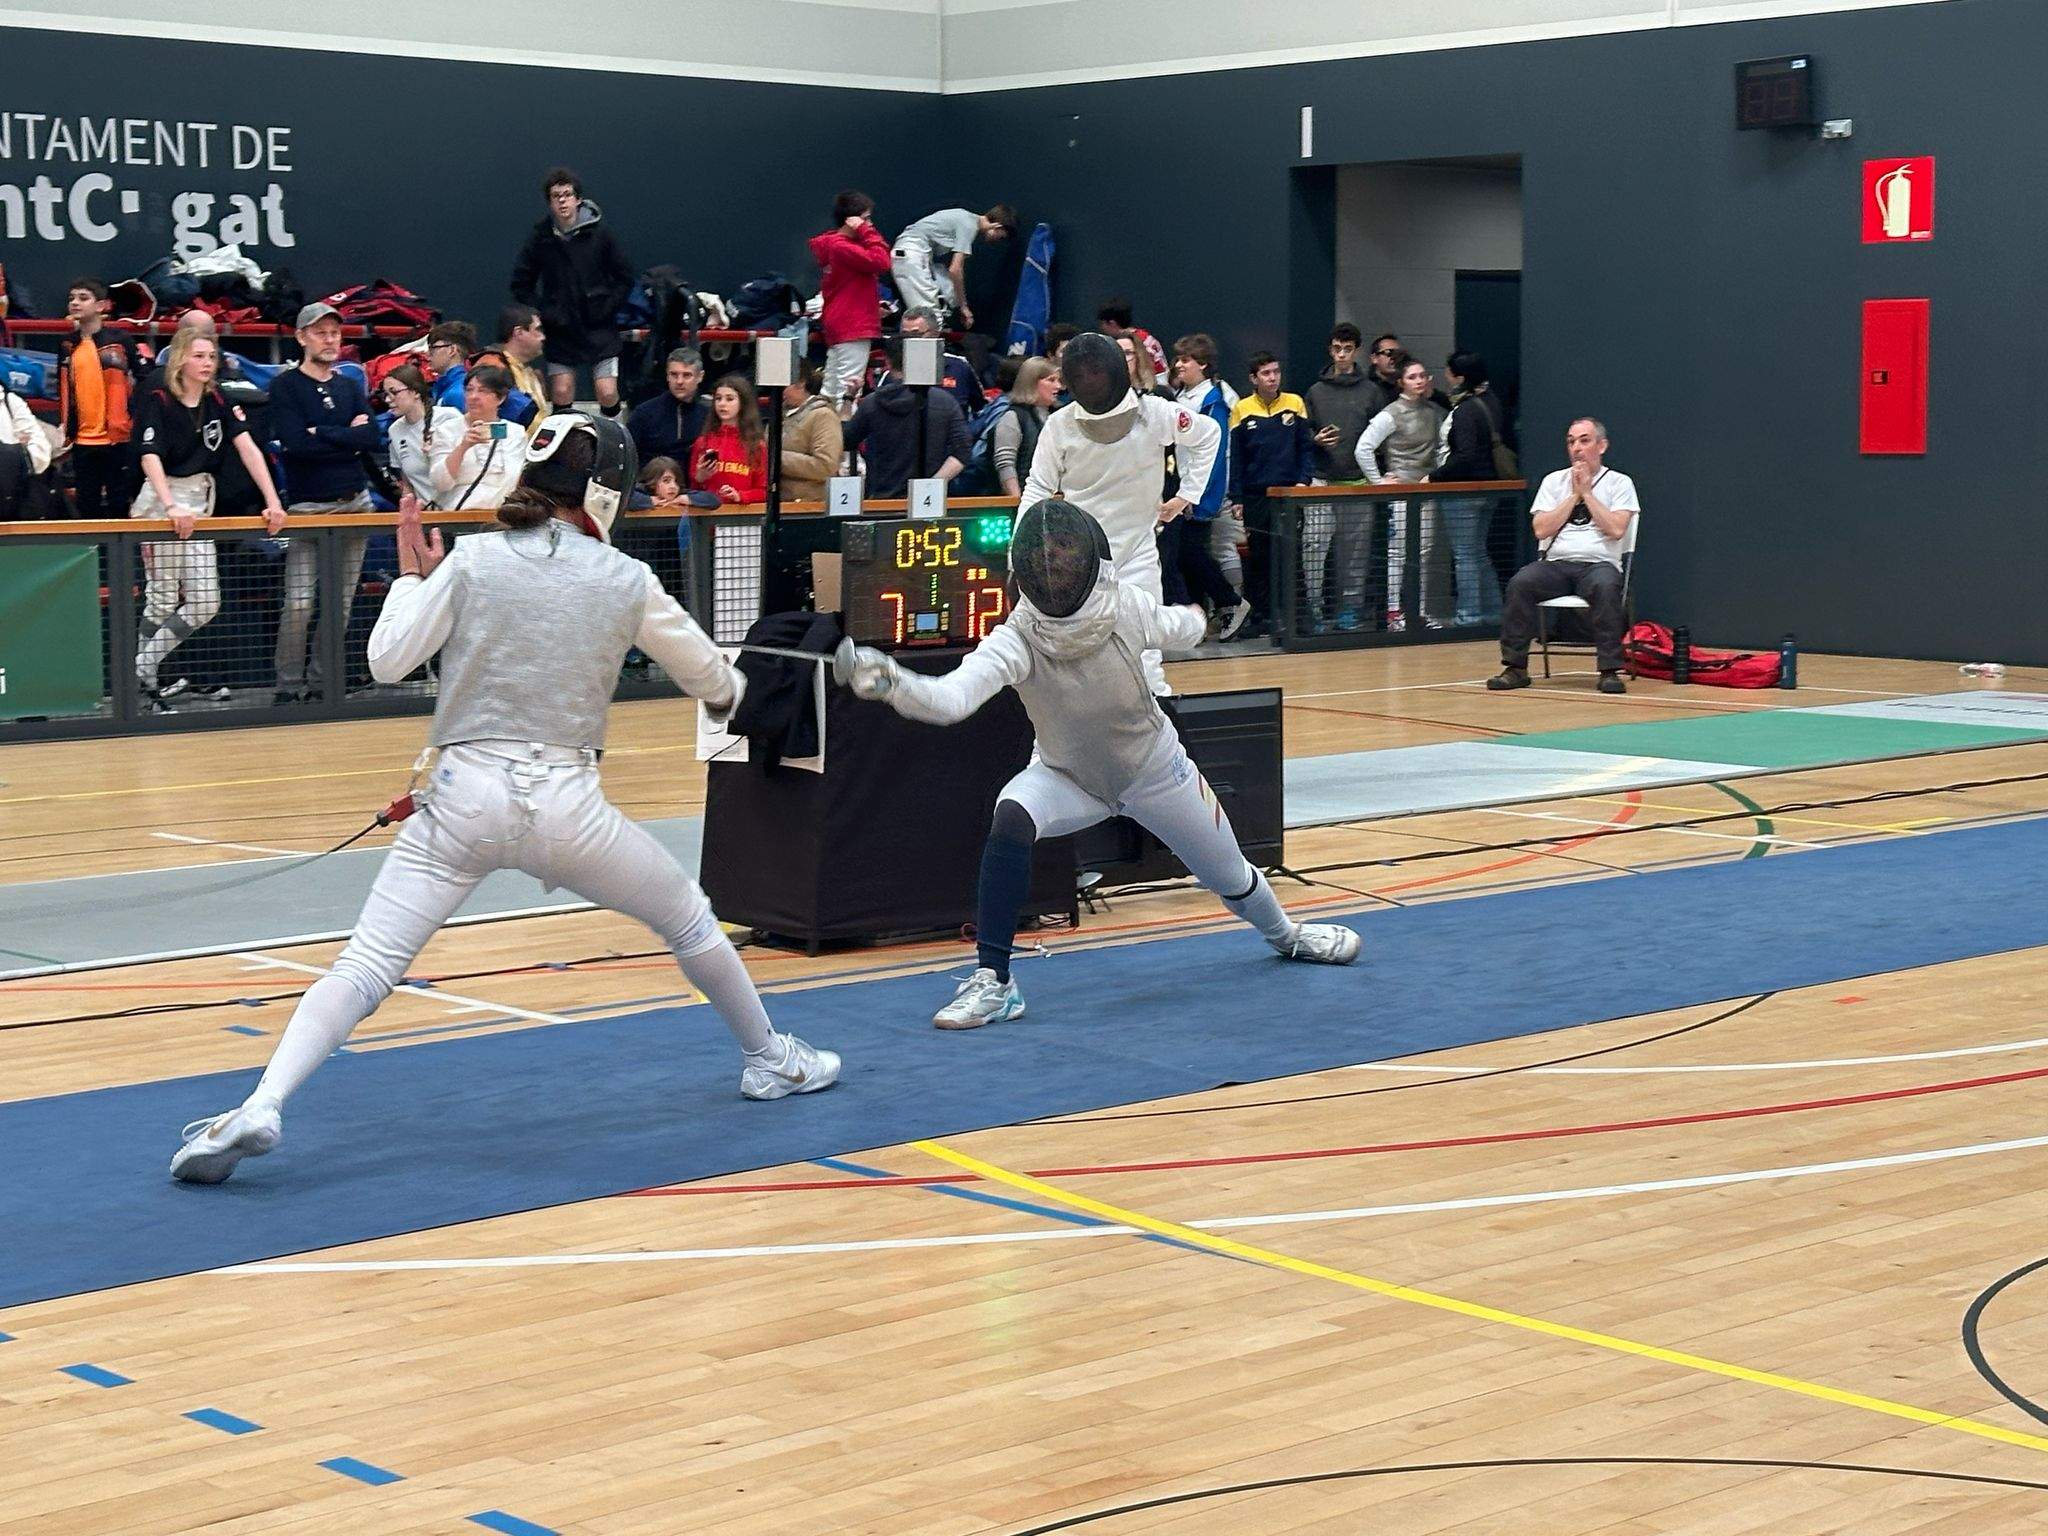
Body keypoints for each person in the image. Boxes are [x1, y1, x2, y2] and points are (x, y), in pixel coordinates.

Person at [169, 413, 840, 1185]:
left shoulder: (475, 560)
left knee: (365, 966)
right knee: (687, 918)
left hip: (461, 800)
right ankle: (768, 1060)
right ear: (604, 493)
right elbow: (719, 685)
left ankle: (262, 1102)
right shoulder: (626, 579)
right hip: (568, 807)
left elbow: (387, 662)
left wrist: (417, 578)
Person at [842, 499, 1358, 1030]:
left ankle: (1288, 937)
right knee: (1013, 815)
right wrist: (895, 683)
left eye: (1062, 549)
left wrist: (1193, 618)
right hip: (1068, 775)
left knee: (1228, 874)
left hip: (1155, 769)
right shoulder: (1018, 637)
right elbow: (951, 700)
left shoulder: (1123, 606)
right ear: (1023, 569)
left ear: (1087, 554)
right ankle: (996, 982)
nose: (1052, 563)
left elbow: (1171, 627)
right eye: (1041, 554)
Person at [1024, 332, 1218, 694]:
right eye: (1083, 375)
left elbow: (1208, 434)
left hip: (1136, 555)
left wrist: (1187, 495)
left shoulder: (1154, 414)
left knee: (1143, 654)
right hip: (1080, 559)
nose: (1091, 382)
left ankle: (1160, 732)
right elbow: (1037, 487)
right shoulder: (1061, 425)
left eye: (1097, 373)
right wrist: (1018, 555)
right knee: (1076, 654)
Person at [131, 330, 287, 708]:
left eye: (212, 356)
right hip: (161, 499)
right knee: (162, 598)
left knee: (205, 602)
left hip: (201, 499)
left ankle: (139, 668)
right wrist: (169, 506)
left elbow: (248, 448)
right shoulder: (159, 399)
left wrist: (272, 500)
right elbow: (149, 456)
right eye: (199, 355)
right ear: (181, 359)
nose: (207, 363)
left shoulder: (218, 399)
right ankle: (144, 684)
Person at [270, 301, 380, 705]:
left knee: (340, 604)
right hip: (308, 510)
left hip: (356, 504)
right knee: (299, 602)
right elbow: (296, 446)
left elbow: (371, 439)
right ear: (302, 338)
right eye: (320, 332)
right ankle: (287, 685)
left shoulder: (350, 385)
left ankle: (321, 683)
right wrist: (344, 435)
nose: (330, 339)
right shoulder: (286, 386)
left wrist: (324, 432)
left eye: (335, 332)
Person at [1490, 417, 1640, 696]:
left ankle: (1609, 671)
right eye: (1571, 442)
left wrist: (1588, 494)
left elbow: (1617, 529)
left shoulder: (1620, 483)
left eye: (1584, 440)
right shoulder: (1553, 481)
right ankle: (1515, 668)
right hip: (1556, 564)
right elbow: (1541, 529)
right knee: (1521, 582)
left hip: (1599, 564)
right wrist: (1573, 496)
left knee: (1607, 586)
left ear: (1602, 445)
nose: (1576, 448)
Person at [510, 167, 635, 416]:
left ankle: (612, 442)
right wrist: (546, 313)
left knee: (607, 391)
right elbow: (520, 283)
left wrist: (606, 307)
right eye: (556, 196)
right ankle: (565, 447)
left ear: (578, 199)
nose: (562, 201)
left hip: (599, 325)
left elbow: (624, 277)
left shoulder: (600, 234)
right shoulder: (540, 239)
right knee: (562, 390)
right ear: (549, 202)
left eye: (567, 195)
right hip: (561, 328)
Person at [1354, 354, 1448, 631]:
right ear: (1401, 383)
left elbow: (1443, 448)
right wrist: (1378, 481)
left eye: (1422, 376)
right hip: (1402, 493)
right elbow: (1363, 448)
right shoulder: (1391, 413)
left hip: (1426, 490)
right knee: (1398, 553)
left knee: (1425, 552)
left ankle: (1418, 612)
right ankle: (1394, 613)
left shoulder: (1434, 412)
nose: (1419, 381)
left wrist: (1437, 474)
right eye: (1412, 377)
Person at [1167, 334, 1250, 638]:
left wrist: (1195, 492)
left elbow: (1214, 451)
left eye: (1185, 360)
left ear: (1202, 363)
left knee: (1190, 553)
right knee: (1182, 555)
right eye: (1177, 359)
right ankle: (1206, 614)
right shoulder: (1179, 398)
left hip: (1199, 492)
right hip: (1180, 489)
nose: (1178, 365)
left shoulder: (1213, 400)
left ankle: (1232, 601)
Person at [1227, 352, 1312, 635]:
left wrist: (1303, 481)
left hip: (1287, 493)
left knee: (1291, 554)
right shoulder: (1241, 408)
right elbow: (1236, 457)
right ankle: (1261, 617)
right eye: (1266, 373)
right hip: (1254, 496)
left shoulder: (1295, 403)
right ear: (1254, 378)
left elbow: (1305, 448)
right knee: (1259, 558)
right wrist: (1236, 497)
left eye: (1276, 371)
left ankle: (1300, 617)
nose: (1273, 377)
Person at [1301, 322, 1377, 631]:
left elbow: (1380, 436)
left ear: (1356, 350)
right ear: (1329, 350)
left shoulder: (1371, 391)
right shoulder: (1316, 392)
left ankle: (1350, 608)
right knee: (1314, 549)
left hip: (1358, 482)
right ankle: (1315, 610)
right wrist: (1315, 438)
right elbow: (1303, 431)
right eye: (1337, 348)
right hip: (1322, 479)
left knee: (1354, 554)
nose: (1342, 354)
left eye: (1347, 349)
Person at [843, 338, 971, 499]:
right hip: (929, 505)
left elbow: (845, 440)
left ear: (887, 363)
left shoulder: (872, 403)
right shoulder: (945, 402)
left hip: (880, 502)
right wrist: (930, 487)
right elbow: (962, 451)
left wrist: (848, 398)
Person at [1433, 350, 1507, 627]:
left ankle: (1468, 615)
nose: (1445, 375)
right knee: (1478, 551)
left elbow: (1464, 455)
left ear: (1460, 377)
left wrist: (1434, 476)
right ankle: (1493, 612)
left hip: (1464, 493)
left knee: (1464, 554)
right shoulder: (1491, 402)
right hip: (1490, 488)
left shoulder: (1465, 410)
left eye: (1449, 371)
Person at [57, 277, 141, 518]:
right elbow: (63, 389)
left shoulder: (120, 340)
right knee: (87, 504)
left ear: (101, 306)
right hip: (82, 439)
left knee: (119, 502)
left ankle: (120, 557)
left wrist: (130, 418)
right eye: (72, 298)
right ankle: (95, 556)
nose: (75, 303)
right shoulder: (66, 345)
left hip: (117, 437)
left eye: (83, 298)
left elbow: (142, 377)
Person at [809, 190, 892, 409]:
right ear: (852, 220)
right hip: (853, 325)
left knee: (831, 389)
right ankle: (842, 438)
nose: (870, 224)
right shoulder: (843, 247)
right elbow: (882, 261)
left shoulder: (832, 245)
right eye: (865, 219)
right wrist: (866, 231)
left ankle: (825, 433)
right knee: (848, 389)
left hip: (839, 321)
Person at [890, 204, 1017, 330]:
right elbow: (955, 269)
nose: (997, 240)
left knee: (944, 297)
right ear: (997, 226)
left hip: (912, 253)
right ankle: (928, 346)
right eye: (1001, 236)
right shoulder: (970, 225)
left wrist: (958, 301)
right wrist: (964, 307)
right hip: (913, 253)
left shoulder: (965, 217)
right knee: (928, 317)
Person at [433, 365, 525, 511]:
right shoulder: (447, 430)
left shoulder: (514, 432)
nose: (473, 396)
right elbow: (440, 483)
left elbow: (512, 480)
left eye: (482, 391)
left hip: (501, 515)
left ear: (500, 398)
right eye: (469, 390)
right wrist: (463, 447)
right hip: (458, 513)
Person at [383, 363, 466, 506]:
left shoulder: (448, 417)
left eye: (394, 392)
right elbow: (407, 483)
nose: (388, 400)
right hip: (427, 512)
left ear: (415, 392)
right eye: (386, 394)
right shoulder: (395, 430)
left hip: (459, 507)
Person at [690, 374, 769, 505]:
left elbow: (764, 491)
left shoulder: (756, 446)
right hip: (709, 516)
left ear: (743, 403)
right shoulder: (703, 442)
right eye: (718, 399)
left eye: (730, 399)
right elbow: (693, 490)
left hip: (742, 517)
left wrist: (739, 496)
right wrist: (700, 477)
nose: (722, 404)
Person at [626, 347, 710, 467]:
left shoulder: (708, 416)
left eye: (686, 375)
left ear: (700, 377)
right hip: (650, 482)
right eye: (674, 375)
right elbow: (626, 457)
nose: (679, 381)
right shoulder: (644, 413)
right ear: (667, 376)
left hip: (694, 483)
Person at [992, 356, 1057, 500]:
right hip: (1026, 497)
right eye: (1051, 380)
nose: (1058, 386)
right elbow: (1005, 462)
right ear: (1032, 382)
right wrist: (1017, 500)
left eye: (1058, 380)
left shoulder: (1057, 416)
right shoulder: (1013, 416)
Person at [899, 306, 983, 414]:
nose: (911, 340)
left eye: (917, 334)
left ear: (935, 333)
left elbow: (980, 408)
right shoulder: (894, 372)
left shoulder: (960, 367)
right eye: (905, 335)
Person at [779, 363, 842, 503]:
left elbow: (826, 466)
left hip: (809, 504)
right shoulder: (779, 415)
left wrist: (775, 457)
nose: (779, 391)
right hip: (781, 502)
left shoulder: (823, 416)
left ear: (801, 384)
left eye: (784, 386)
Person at [1096, 298, 1168, 382]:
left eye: (1102, 324)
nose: (1101, 328)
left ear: (1112, 323)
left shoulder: (1135, 341)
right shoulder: (1144, 336)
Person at [423, 321, 479, 410]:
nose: (427, 354)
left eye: (433, 348)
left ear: (452, 350)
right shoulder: (445, 387)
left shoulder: (456, 394)